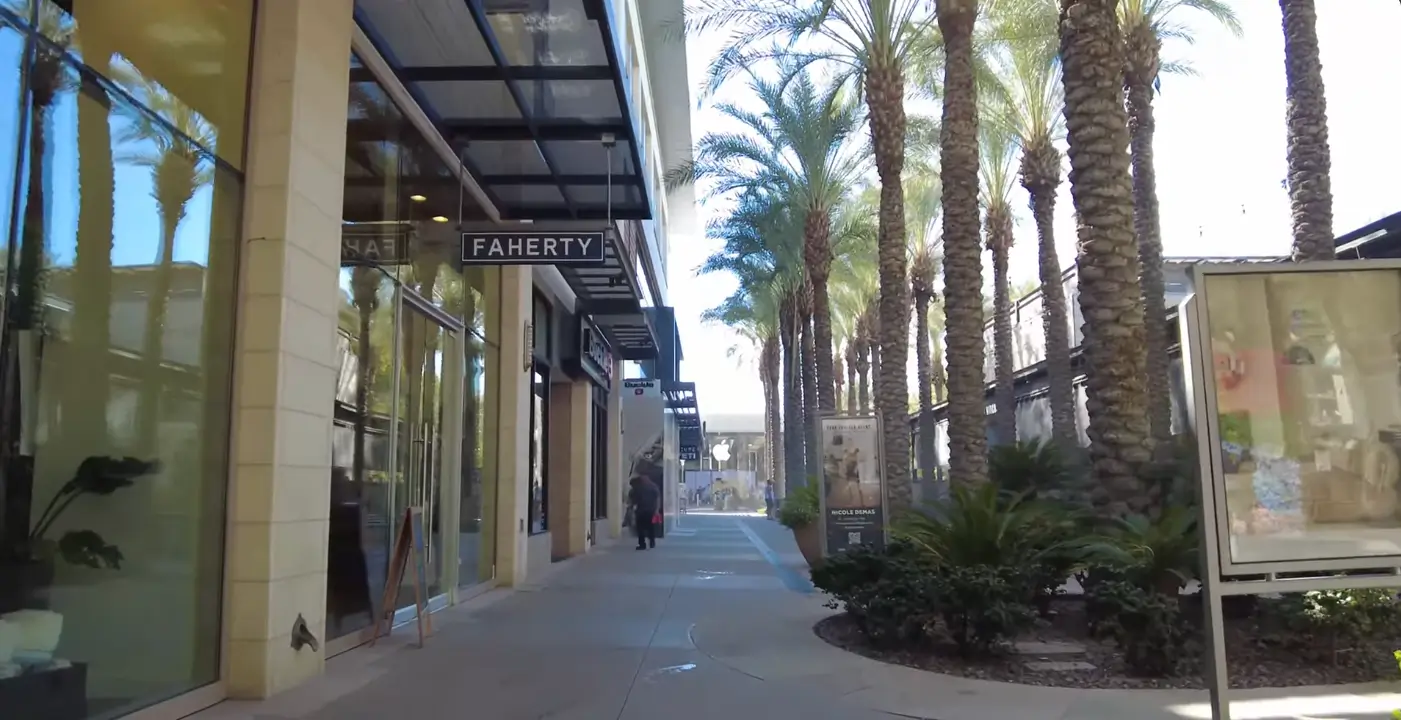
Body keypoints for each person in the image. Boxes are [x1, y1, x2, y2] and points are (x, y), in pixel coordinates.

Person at [627, 475, 660, 550]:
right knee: (651, 527)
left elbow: (632, 501)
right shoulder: (653, 487)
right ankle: (652, 541)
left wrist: (630, 508)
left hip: (640, 511)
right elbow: (657, 498)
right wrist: (656, 510)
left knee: (640, 528)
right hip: (651, 510)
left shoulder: (636, 489)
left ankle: (642, 544)